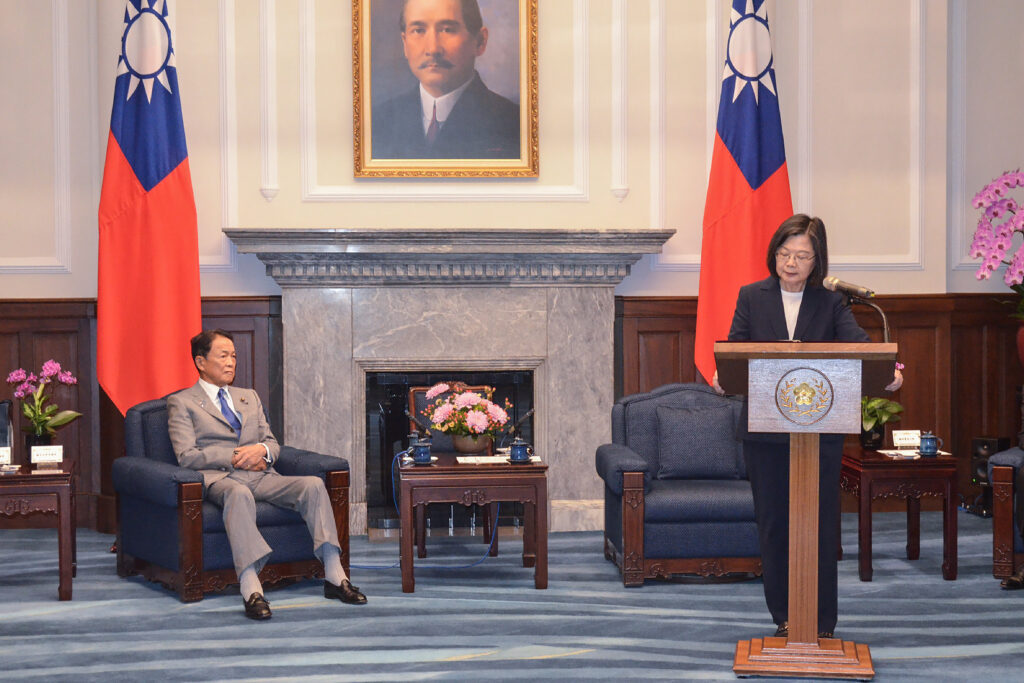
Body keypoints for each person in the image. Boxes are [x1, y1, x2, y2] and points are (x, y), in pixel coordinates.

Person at [712, 214, 903, 638]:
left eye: (801, 255)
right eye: (784, 253)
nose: (790, 262)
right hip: (765, 433)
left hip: (819, 432)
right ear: (773, 254)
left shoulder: (831, 303)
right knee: (775, 525)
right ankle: (784, 617)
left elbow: (861, 348)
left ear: (817, 261)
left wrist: (890, 371)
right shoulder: (752, 296)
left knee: (819, 526)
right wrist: (722, 375)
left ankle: (822, 622)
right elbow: (735, 349)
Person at [167, 329, 367, 620]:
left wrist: (262, 451)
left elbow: (272, 442)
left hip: (263, 476)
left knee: (312, 485)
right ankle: (251, 588)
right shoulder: (182, 402)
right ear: (200, 361)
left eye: (233, 356)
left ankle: (335, 576)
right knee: (238, 493)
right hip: (221, 480)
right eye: (223, 356)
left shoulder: (248, 397)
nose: (231, 362)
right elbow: (187, 455)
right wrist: (238, 457)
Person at [372, 0, 520, 159]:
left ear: (479, 42)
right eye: (418, 30)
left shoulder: (514, 124)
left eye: (447, 30)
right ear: (405, 43)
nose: (432, 49)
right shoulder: (378, 121)